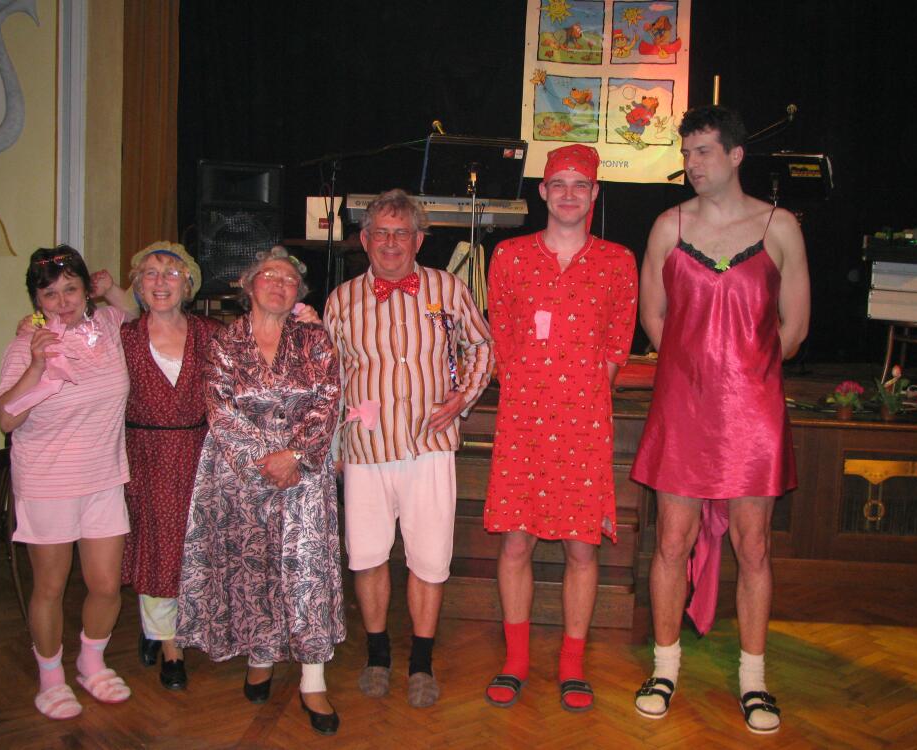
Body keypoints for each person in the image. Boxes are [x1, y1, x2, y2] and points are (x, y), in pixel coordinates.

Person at [629, 105, 810, 734]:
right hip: (683, 408)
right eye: (686, 154)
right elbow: (653, 317)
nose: (691, 164)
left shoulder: (779, 226)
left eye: (703, 151)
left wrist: (741, 374)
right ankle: (664, 667)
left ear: (735, 155)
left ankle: (754, 679)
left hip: (753, 413)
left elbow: (795, 329)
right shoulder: (668, 226)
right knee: (670, 542)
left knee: (753, 546)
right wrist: (694, 370)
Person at [482, 144, 639, 712]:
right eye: (559, 184)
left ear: (595, 193)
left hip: (583, 423)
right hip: (523, 420)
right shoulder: (510, 256)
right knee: (516, 542)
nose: (569, 193)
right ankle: (516, 660)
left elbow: (619, 341)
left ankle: (572, 663)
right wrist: (530, 387)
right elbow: (501, 334)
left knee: (581, 549)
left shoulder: (618, 261)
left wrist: (585, 393)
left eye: (580, 184)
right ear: (543, 192)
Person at [323, 189, 494, 708]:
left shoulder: (448, 288)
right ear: (364, 239)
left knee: (430, 559)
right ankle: (377, 655)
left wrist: (462, 398)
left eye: (402, 233)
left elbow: (482, 346)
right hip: (365, 450)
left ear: (419, 240)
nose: (391, 242)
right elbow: (328, 378)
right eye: (381, 232)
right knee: (367, 555)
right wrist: (333, 444)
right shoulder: (341, 301)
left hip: (430, 447)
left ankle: (421, 661)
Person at [176, 247, 344, 736]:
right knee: (254, 566)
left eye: (289, 279)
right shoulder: (224, 341)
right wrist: (263, 462)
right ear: (248, 286)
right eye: (269, 275)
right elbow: (220, 408)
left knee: (307, 570)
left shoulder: (313, 338)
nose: (278, 283)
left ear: (299, 294)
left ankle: (313, 679)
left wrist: (294, 456)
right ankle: (261, 655)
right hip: (239, 474)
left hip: (303, 473)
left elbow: (327, 399)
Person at [0, 245, 132, 720]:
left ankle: (91, 663)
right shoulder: (25, 345)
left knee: (107, 585)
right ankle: (50, 677)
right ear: (36, 301)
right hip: (48, 482)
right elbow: (6, 419)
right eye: (49, 294)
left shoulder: (108, 326)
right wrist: (36, 365)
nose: (62, 301)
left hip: (104, 478)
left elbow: (135, 309)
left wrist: (110, 288)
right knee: (50, 587)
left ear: (85, 290)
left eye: (71, 289)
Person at [110, 242, 221, 692]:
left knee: (194, 547)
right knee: (157, 547)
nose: (160, 282)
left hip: (199, 451)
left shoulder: (212, 333)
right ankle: (169, 645)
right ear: (137, 285)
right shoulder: (122, 338)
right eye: (150, 274)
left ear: (188, 284)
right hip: (145, 453)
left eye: (171, 273)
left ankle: (168, 627)